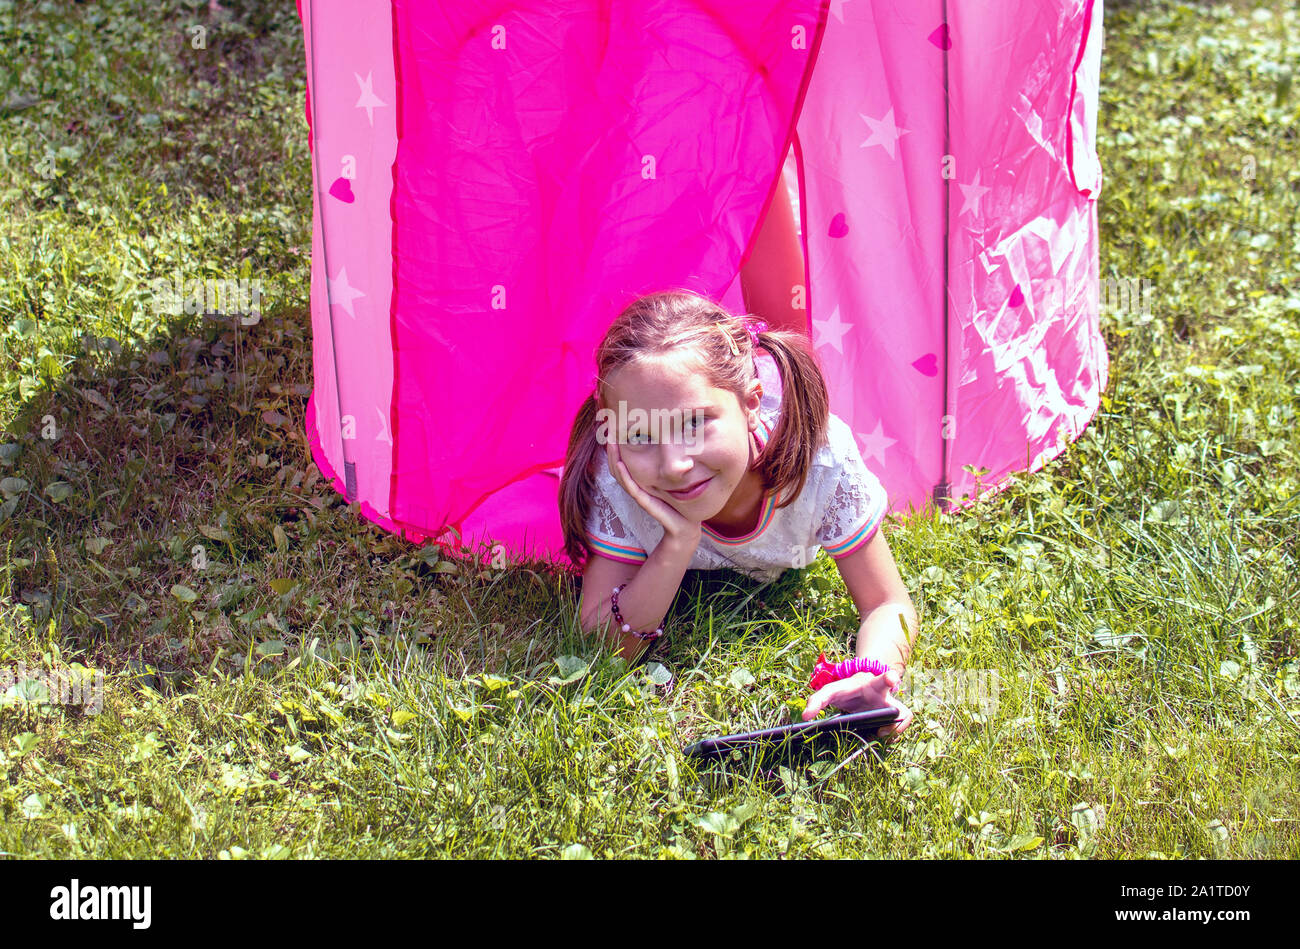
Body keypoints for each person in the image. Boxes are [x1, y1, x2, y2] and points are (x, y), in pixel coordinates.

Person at [558, 290, 917, 739]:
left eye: (694, 423)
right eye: (640, 434)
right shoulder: (620, 478)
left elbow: (886, 602)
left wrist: (873, 672)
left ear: (750, 404)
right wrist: (676, 545)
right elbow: (601, 646)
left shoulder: (819, 460)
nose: (674, 465)